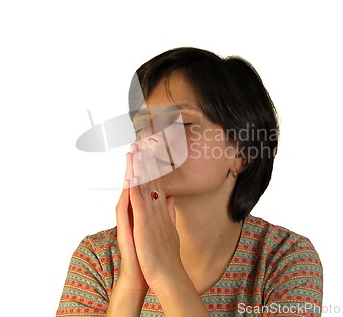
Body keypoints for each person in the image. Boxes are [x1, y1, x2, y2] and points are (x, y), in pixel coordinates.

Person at [56, 47, 323, 317]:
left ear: (242, 154)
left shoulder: (285, 259)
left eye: (181, 123)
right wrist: (131, 285)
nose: (152, 140)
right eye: (141, 128)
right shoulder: (98, 259)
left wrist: (166, 273)